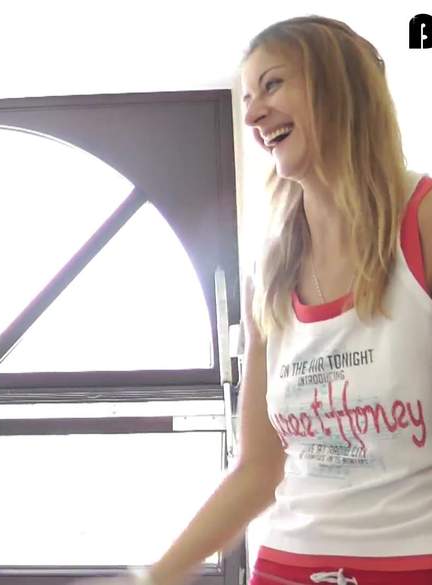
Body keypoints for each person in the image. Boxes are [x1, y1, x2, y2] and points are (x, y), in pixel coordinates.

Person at [83, 15, 432, 585]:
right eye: (247, 98)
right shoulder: (270, 273)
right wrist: (153, 577)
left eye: (272, 85)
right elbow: (258, 470)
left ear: (340, 88)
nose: (251, 116)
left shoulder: (422, 222)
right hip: (284, 567)